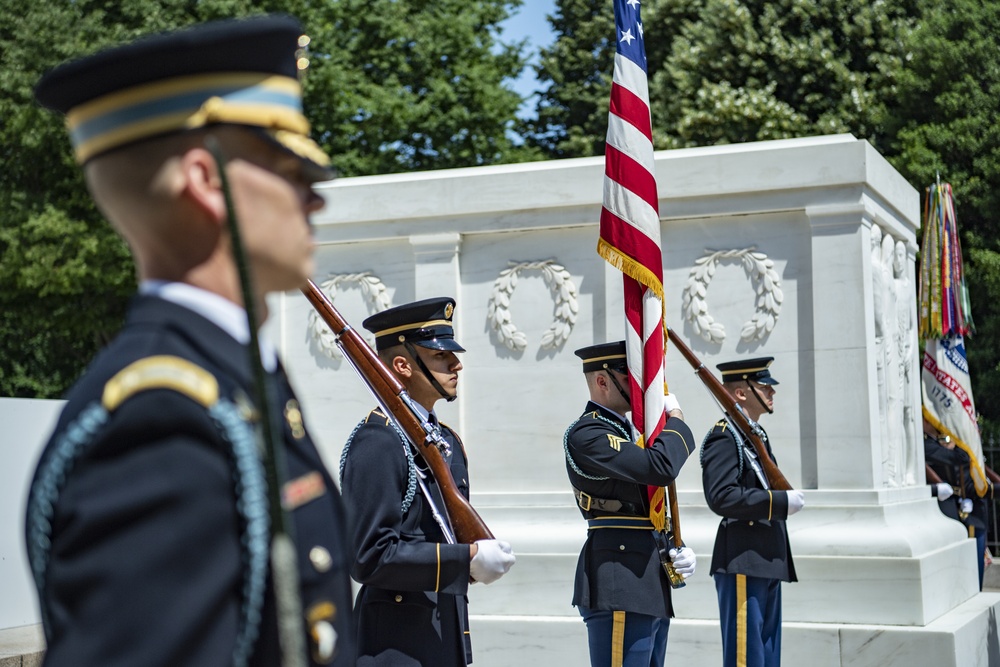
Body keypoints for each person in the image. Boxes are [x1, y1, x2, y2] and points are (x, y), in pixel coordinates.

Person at [24, 16, 356, 666]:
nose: (314, 200)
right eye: (294, 169)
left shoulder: (229, 377)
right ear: (207, 181)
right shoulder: (163, 417)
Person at [339, 297, 516, 666]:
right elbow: (369, 556)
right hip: (395, 648)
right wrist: (464, 559)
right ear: (403, 365)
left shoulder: (446, 440)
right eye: (440, 357)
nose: (457, 364)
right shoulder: (378, 442)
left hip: (444, 635)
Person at [563, 341, 697, 667]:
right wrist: (675, 418)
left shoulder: (629, 432)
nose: (639, 386)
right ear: (602, 381)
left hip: (646, 576)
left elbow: (643, 502)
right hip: (619, 579)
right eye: (629, 377)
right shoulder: (588, 433)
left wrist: (671, 546)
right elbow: (660, 467)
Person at [700, 357, 804, 667]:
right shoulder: (725, 435)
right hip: (744, 556)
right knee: (747, 657)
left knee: (768, 655)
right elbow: (721, 496)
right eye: (764, 387)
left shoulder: (754, 435)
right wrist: (779, 503)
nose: (772, 393)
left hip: (766, 557)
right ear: (742, 393)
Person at [923, 417, 993, 590]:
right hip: (948, 509)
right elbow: (959, 459)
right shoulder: (928, 445)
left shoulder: (954, 444)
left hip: (973, 509)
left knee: (976, 563)